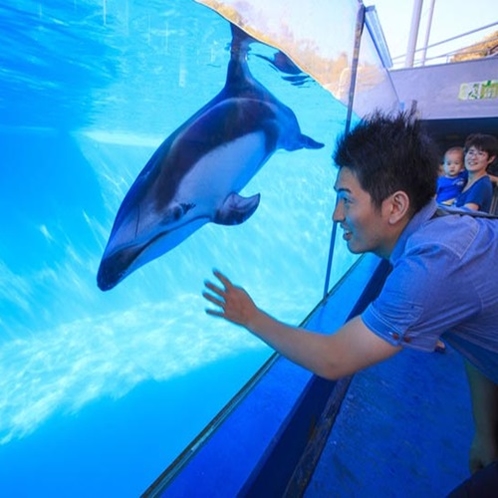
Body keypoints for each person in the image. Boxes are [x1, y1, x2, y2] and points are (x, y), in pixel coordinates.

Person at [202, 110, 498, 483]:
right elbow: (477, 339)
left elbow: (333, 359)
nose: (335, 215)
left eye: (346, 199)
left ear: (395, 207)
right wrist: (487, 434)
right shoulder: (444, 229)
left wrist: (250, 316)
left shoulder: (433, 266)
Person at [453, 133, 498, 213]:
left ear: (490, 159)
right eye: (471, 152)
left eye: (480, 154)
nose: (473, 157)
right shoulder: (465, 177)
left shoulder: (482, 185)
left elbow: (466, 214)